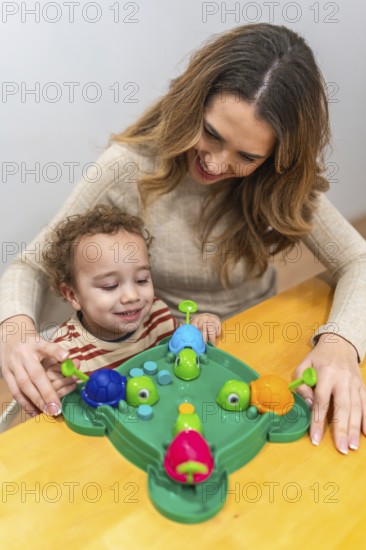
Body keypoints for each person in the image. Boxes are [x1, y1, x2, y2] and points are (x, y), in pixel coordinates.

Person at [0, 23, 365, 454]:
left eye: (246, 156)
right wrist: (15, 328)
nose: (214, 161)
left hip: (248, 339)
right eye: (211, 133)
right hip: (159, 345)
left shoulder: (277, 182)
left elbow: (357, 259)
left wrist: (342, 342)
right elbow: (31, 263)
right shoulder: (128, 166)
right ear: (193, 102)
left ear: (274, 159)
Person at [40, 204, 221, 402]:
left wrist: (198, 326)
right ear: (73, 295)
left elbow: (181, 354)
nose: (132, 296)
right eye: (110, 285)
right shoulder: (66, 353)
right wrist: (55, 391)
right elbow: (55, 417)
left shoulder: (158, 315)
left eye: (142, 279)